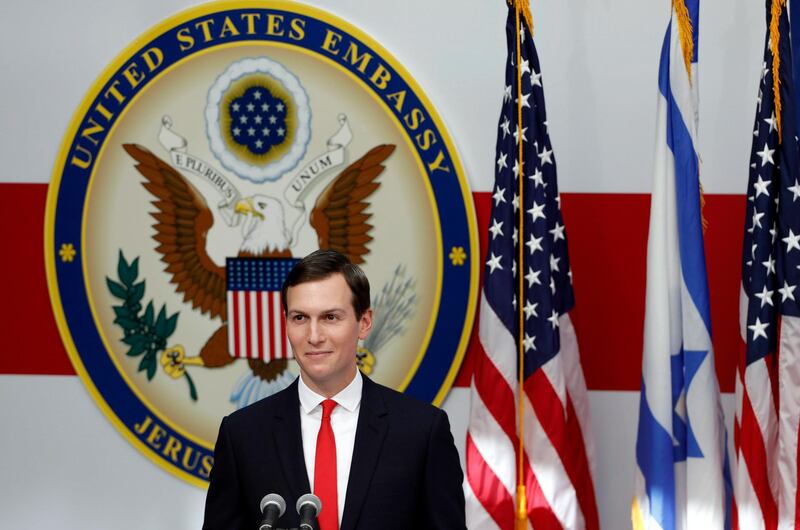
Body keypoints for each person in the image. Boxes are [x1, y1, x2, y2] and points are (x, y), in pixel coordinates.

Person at [202, 249, 466, 530]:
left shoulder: (421, 431)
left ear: (364, 323)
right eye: (300, 318)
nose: (314, 336)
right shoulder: (243, 435)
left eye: (330, 317)